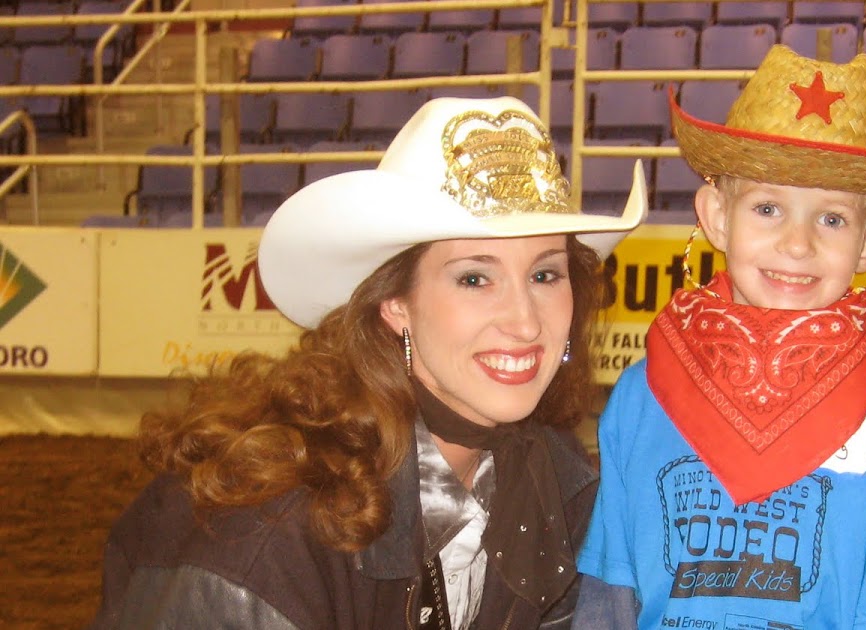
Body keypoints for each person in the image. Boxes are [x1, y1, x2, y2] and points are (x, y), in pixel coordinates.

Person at [90, 96, 647, 630]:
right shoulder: (265, 531)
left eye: (545, 275)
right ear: (395, 303)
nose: (526, 322)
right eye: (475, 278)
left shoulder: (553, 481)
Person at [572, 47, 866, 629]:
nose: (798, 245)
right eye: (768, 207)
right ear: (717, 216)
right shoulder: (644, 395)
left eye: (832, 219)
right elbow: (610, 593)